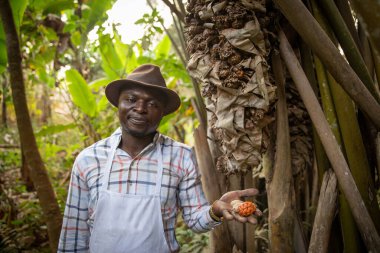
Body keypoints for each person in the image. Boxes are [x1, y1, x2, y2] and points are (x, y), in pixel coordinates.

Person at [57, 64, 261, 253]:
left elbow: (194, 220)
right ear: (117, 103)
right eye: (130, 99)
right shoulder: (88, 159)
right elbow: (74, 234)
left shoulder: (180, 156)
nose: (140, 108)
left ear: (163, 112)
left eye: (152, 103)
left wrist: (215, 210)